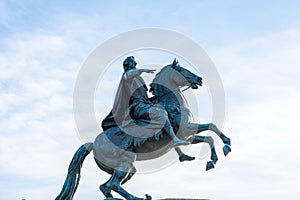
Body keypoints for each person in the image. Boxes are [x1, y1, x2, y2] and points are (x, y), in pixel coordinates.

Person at [102, 56, 189, 147]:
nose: (134, 63)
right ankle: (174, 139)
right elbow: (128, 75)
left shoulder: (138, 78)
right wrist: (141, 70)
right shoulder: (127, 76)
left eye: (134, 62)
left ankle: (180, 152)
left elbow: (144, 96)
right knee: (161, 113)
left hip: (145, 103)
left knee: (166, 109)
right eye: (132, 62)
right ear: (127, 64)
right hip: (137, 107)